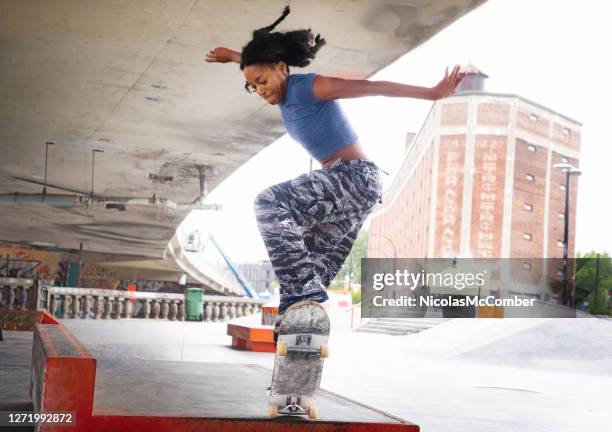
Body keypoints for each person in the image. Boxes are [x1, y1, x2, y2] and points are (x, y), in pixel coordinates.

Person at [206, 6, 464, 341]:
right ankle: (299, 340)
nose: (260, 91)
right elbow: (261, 64)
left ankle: (303, 298)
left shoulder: (311, 87)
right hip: (352, 195)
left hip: (354, 179)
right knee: (306, 269)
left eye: (262, 82)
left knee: (269, 203)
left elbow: (373, 87)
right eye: (252, 87)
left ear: (282, 69)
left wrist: (431, 93)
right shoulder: (276, 81)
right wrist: (236, 57)